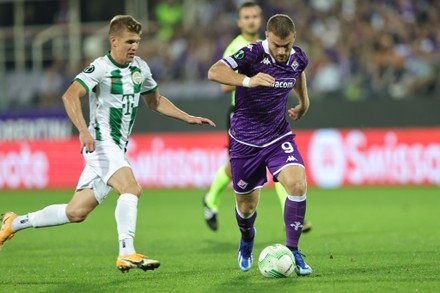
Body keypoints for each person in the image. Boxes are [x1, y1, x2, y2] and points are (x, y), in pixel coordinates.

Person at [0, 15, 215, 273]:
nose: (134, 46)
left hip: (116, 148)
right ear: (113, 41)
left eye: (137, 41)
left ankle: (13, 223)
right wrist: (82, 130)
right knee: (131, 188)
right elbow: (70, 95)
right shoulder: (100, 68)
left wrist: (187, 117)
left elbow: (155, 101)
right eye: (129, 41)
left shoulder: (140, 68)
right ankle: (126, 252)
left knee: (75, 212)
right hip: (100, 143)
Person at [207, 14, 312, 275]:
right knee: (246, 208)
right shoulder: (251, 54)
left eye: (286, 46)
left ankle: (294, 251)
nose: (281, 51)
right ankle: (246, 239)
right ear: (267, 37)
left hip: (278, 136)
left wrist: (304, 103)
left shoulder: (298, 57)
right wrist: (248, 80)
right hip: (245, 141)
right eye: (276, 45)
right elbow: (214, 72)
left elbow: (298, 74)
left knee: (298, 184)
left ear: (293, 39)